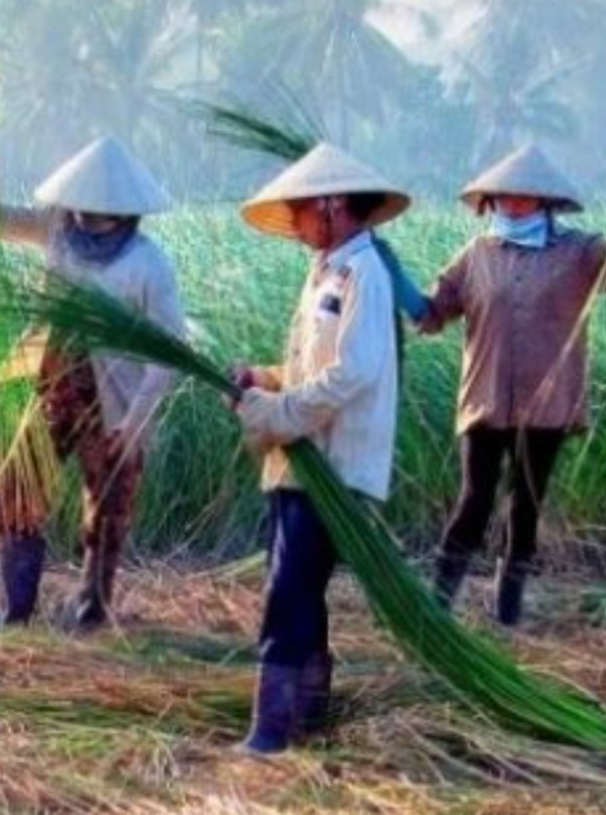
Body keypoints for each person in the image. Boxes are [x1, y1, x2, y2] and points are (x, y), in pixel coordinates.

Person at [420, 144, 606, 626]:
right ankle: (435, 610)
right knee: (474, 501)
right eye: (506, 197)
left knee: (527, 505)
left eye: (526, 197)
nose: (514, 204)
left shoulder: (579, 252)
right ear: (491, 201)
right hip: (486, 398)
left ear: (546, 203)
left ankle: (507, 615)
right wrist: (392, 280)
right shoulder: (476, 255)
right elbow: (433, 312)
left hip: (549, 403)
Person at [0, 110, 187, 631]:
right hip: (57, 387)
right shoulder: (57, 233)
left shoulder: (146, 264)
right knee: (13, 487)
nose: (83, 217)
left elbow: (169, 350)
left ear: (121, 210)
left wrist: (135, 425)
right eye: (79, 207)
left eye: (94, 210)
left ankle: (92, 610)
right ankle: (13, 609)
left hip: (117, 403)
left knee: (108, 509)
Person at [229, 142, 407, 753]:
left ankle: (271, 730)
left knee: (289, 591)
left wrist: (280, 413)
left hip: (335, 463)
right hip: (301, 463)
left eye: (304, 211)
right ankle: (309, 712)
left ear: (332, 206)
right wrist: (264, 378)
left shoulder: (366, 275)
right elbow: (312, 367)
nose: (299, 224)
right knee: (300, 588)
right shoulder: (324, 273)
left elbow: (352, 372)